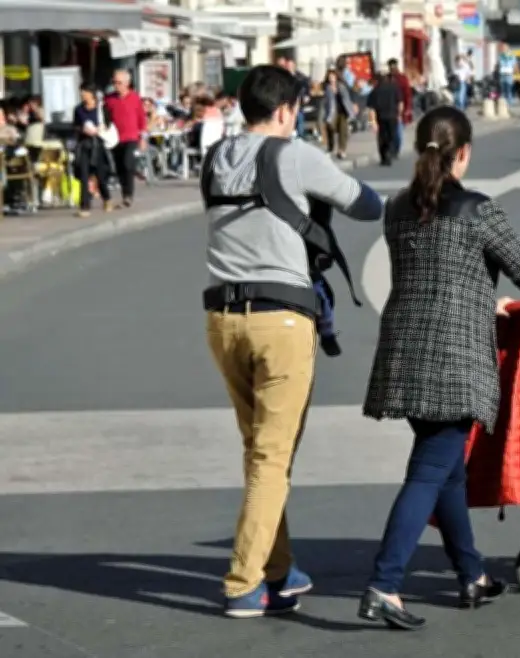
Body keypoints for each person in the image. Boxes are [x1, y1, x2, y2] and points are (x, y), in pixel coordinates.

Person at [359, 106, 520, 630]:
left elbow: (432, 273)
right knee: (431, 470)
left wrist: (483, 299)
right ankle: (384, 585)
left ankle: (471, 575)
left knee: (448, 471)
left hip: (405, 353)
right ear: (465, 152)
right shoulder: (478, 210)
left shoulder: (397, 209)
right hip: (454, 360)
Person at [200, 64, 383, 618]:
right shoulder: (294, 154)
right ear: (284, 111)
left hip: (223, 319)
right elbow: (366, 204)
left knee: (260, 453)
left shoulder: (215, 158)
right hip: (280, 319)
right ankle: (242, 584)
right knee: (271, 458)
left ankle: (277, 571)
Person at [104, 69, 146, 208]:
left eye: (120, 83)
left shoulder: (135, 98)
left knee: (128, 164)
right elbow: (105, 118)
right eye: (115, 82)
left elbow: (142, 119)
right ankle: (125, 193)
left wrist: (143, 138)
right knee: (119, 167)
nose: (117, 85)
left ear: (127, 83)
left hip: (131, 137)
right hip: (115, 139)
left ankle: (129, 195)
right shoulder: (109, 99)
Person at [72, 83, 113, 218]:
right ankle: (84, 206)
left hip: (98, 144)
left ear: (92, 94)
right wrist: (82, 130)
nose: (83, 95)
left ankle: (106, 198)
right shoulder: (78, 109)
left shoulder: (102, 108)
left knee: (100, 176)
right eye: (81, 92)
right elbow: (75, 126)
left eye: (85, 92)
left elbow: (109, 124)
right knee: (84, 176)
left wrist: (100, 128)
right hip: (84, 144)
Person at [367, 71, 402, 166]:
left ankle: (384, 157)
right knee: (391, 135)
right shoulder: (394, 88)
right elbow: (399, 102)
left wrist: (373, 122)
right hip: (392, 116)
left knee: (382, 138)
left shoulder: (374, 91)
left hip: (381, 117)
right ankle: (389, 152)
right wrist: (399, 114)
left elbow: (372, 109)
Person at [322, 68, 356, 160]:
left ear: (336, 77)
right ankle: (330, 147)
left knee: (343, 131)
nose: (331, 79)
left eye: (333, 77)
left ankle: (342, 150)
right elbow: (326, 101)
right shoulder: (327, 88)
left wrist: (352, 108)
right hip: (332, 112)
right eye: (329, 77)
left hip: (343, 111)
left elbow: (347, 98)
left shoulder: (341, 86)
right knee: (330, 128)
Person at [388, 58, 413, 155]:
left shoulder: (402, 79)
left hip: (400, 109)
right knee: (390, 131)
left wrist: (407, 109)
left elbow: (407, 95)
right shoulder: (387, 78)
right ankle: (391, 148)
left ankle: (396, 149)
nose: (392, 69)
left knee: (398, 131)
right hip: (389, 108)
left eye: (394, 66)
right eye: (390, 67)